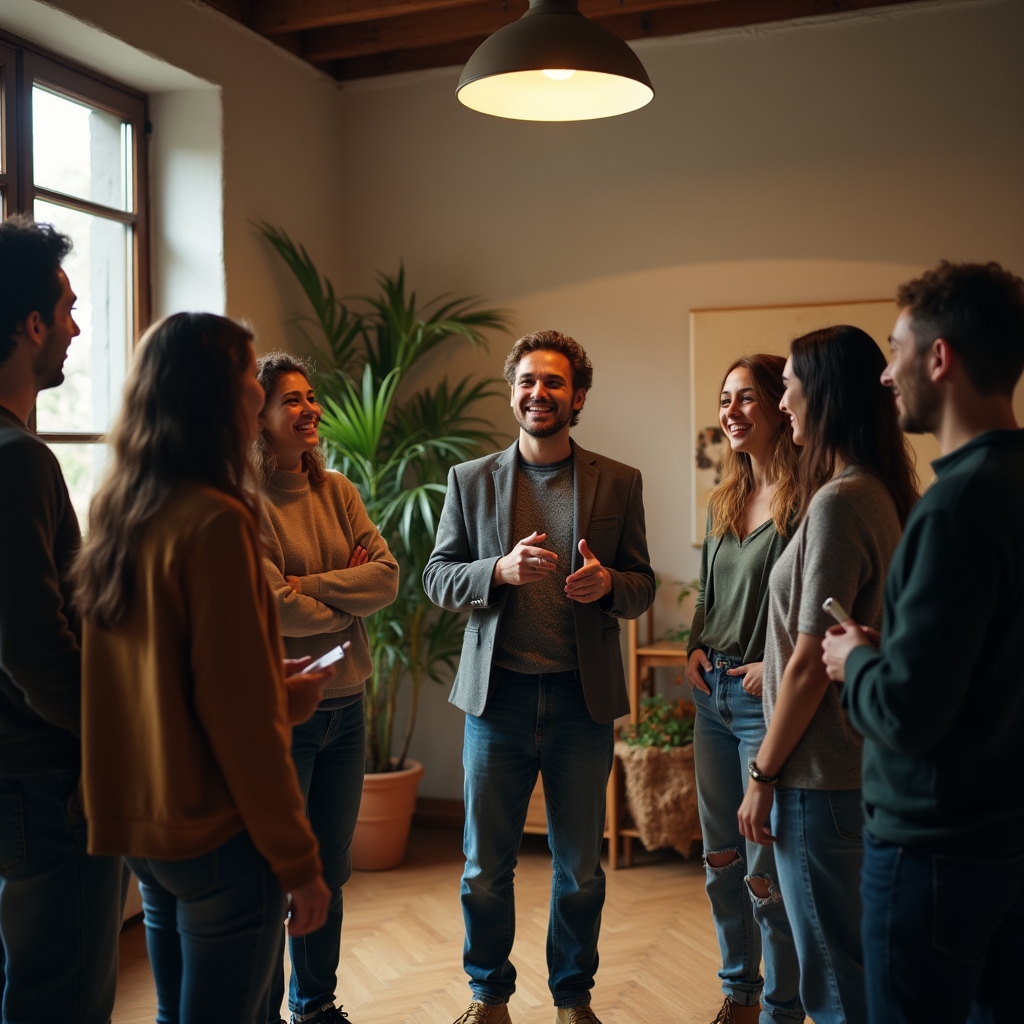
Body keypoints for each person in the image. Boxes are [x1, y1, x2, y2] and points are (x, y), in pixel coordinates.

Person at [74, 313, 333, 1022]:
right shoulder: (218, 520)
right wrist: (300, 863)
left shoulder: (118, 509)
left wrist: (269, 687)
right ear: (215, 394)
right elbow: (242, 720)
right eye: (251, 375)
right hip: (215, 828)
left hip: (142, 823)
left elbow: (155, 678)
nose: (260, 391)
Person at [423, 330, 655, 1024]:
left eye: (553, 383)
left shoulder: (619, 480)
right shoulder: (470, 480)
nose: (538, 393)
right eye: (527, 381)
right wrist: (497, 570)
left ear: (577, 397)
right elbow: (437, 576)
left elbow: (641, 586)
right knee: (482, 868)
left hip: (582, 704)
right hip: (497, 702)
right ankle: (488, 995)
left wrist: (608, 582)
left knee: (580, 868)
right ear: (513, 391)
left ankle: (572, 998)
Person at [822, 262, 1024, 1024]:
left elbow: (907, 714)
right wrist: (896, 650)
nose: (885, 372)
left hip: (934, 848)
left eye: (896, 348)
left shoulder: (954, 507)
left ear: (940, 358)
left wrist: (856, 659)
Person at [737, 325, 917, 1024]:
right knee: (851, 963)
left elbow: (812, 661)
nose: (782, 403)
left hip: (819, 776)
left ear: (825, 393)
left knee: (834, 983)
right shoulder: (872, 488)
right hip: (848, 770)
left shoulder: (842, 501)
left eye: (788, 387)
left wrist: (763, 775)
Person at [0, 216, 127, 1022]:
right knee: (61, 997)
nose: (78, 328)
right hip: (45, 780)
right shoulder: (19, 461)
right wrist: (124, 730)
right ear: (32, 323)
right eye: (69, 308)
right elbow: (34, 646)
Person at [255, 353, 399, 1024]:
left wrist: (305, 587)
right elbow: (271, 606)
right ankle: (263, 1006)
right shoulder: (245, 502)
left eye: (311, 397)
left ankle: (315, 1006)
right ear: (258, 416)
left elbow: (388, 578)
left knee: (330, 869)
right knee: (274, 872)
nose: (309, 409)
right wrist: (344, 594)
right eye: (292, 400)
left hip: (348, 701)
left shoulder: (339, 490)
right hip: (284, 712)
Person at [684, 355, 803, 1024]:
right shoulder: (723, 498)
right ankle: (740, 993)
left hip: (765, 702)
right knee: (721, 857)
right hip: (712, 699)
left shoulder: (807, 499)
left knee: (765, 869)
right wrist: (693, 646)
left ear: (780, 407)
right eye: (725, 399)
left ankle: (785, 1006)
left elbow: (823, 605)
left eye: (746, 397)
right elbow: (705, 595)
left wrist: (772, 663)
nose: (730, 411)